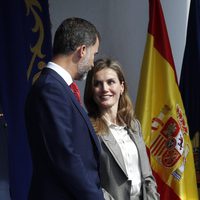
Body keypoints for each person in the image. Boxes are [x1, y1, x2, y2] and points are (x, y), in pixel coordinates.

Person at [25, 17, 104, 200]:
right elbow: (64, 156)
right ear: (82, 50)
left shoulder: (59, 88)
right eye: (94, 54)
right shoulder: (50, 89)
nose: (93, 63)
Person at [84, 58, 160, 200]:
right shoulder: (87, 127)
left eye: (110, 82)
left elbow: (147, 176)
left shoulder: (134, 125)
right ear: (92, 90)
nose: (105, 88)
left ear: (122, 87)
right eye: (97, 84)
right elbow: (89, 181)